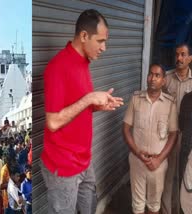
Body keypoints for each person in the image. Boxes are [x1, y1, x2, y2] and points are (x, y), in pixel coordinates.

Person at [40, 9, 123, 214]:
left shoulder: (83, 62)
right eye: (100, 41)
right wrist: (89, 99)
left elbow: (75, 106)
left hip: (84, 161)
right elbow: (53, 122)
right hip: (64, 166)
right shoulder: (58, 67)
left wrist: (96, 106)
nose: (104, 47)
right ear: (84, 36)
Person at [123, 64, 178, 214]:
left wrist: (159, 159)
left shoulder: (169, 103)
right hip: (137, 160)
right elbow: (126, 129)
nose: (152, 78)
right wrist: (137, 152)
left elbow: (173, 134)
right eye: (150, 74)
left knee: (154, 205)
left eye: (157, 75)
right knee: (137, 204)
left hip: (158, 164)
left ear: (163, 80)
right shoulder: (136, 99)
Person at [162, 43, 192, 214]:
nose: (179, 58)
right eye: (177, 54)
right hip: (169, 134)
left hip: (188, 136)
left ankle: (182, 209)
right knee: (168, 175)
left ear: (190, 58)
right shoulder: (166, 79)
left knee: (185, 175)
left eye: (183, 55)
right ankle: (167, 211)